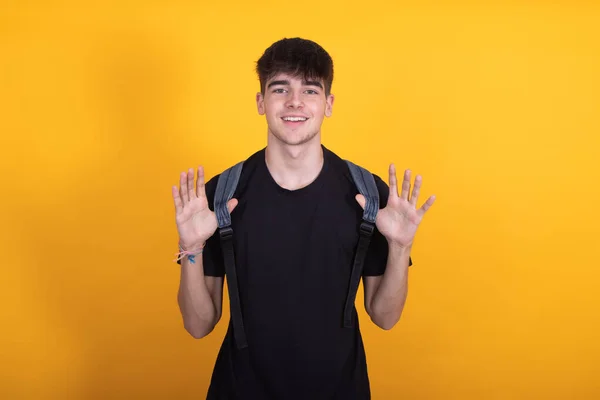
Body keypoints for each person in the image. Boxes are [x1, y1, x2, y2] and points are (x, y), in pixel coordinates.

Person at [172, 37, 436, 400]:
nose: (295, 102)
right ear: (261, 102)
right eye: (280, 88)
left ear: (328, 104)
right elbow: (198, 325)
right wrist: (191, 248)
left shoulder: (368, 193)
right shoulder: (221, 193)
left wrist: (400, 247)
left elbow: (385, 317)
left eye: (310, 90)